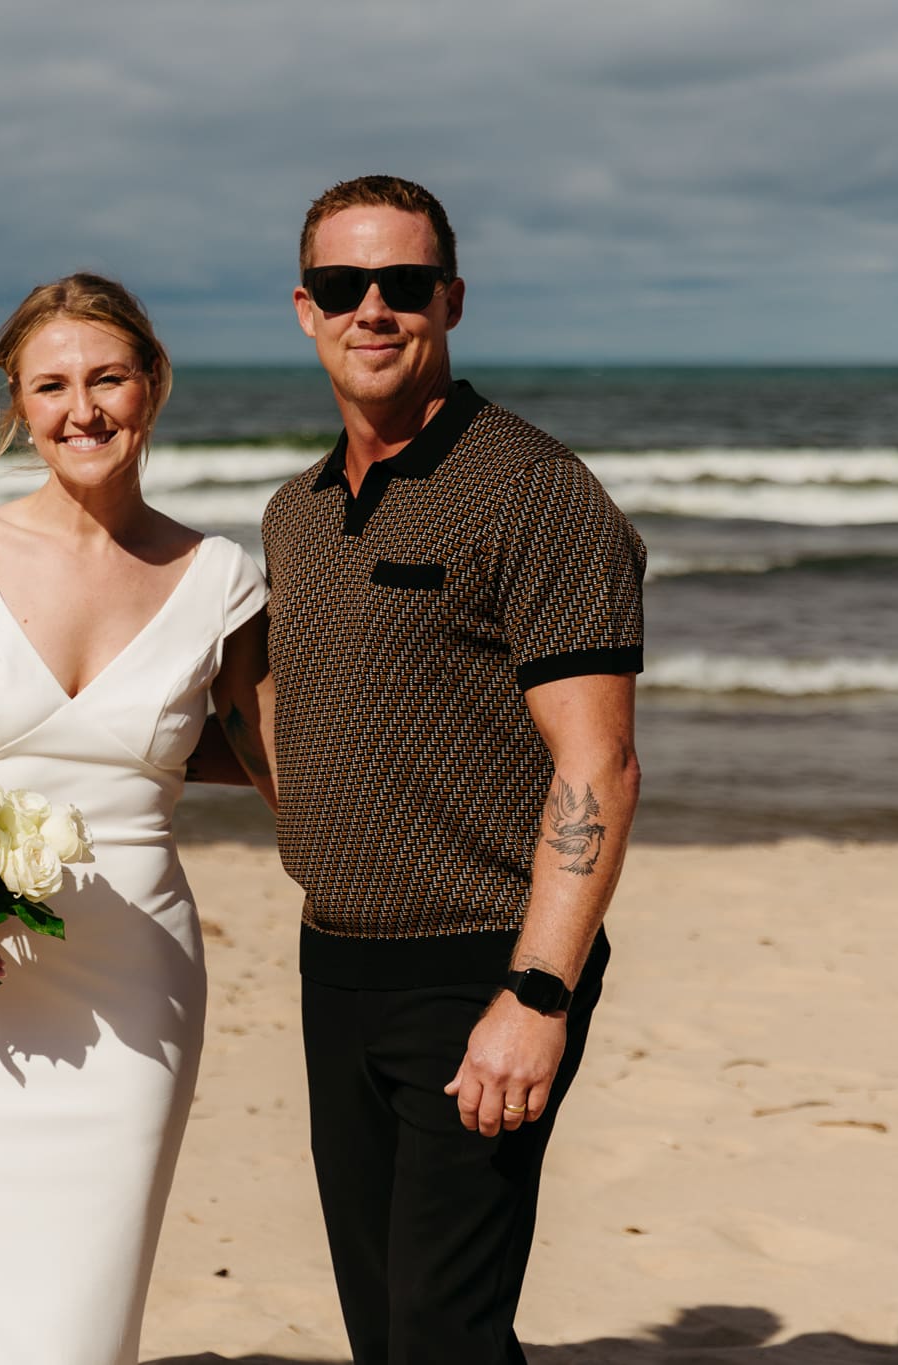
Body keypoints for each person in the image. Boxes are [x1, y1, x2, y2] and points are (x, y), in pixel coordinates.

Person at [0, 274, 277, 1365]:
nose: (81, 410)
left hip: (136, 970)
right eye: (51, 387)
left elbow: (284, 767)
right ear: (17, 403)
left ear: (153, 385)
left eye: (106, 379)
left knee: (86, 1293)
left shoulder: (221, 579)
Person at [262, 175, 646, 1365]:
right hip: (333, 968)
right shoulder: (296, 512)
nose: (371, 309)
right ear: (304, 308)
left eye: (402, 284)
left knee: (444, 1328)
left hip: (480, 971)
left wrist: (537, 997)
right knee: (383, 1326)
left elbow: (600, 764)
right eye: (342, 286)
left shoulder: (536, 494)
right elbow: (300, 722)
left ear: (451, 299)